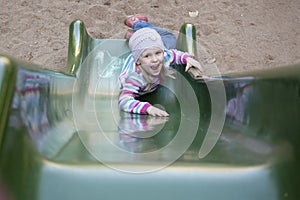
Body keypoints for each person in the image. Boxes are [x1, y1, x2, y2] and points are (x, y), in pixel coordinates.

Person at [119, 15, 204, 117]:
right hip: (138, 67)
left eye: (158, 53)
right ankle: (138, 24)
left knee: (167, 40)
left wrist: (188, 58)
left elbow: (174, 54)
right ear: (138, 62)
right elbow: (124, 101)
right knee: (169, 37)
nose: (155, 59)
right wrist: (148, 108)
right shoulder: (135, 76)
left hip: (152, 49)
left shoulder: (164, 57)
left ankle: (136, 35)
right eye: (147, 56)